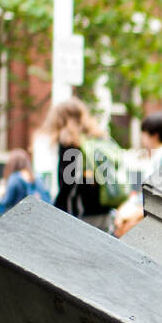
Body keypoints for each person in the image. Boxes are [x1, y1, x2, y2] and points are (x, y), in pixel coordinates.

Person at [39, 98, 116, 232]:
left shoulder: (69, 142)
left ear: (59, 119)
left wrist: (56, 211)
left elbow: (68, 184)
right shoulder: (97, 137)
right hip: (104, 210)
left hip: (80, 213)